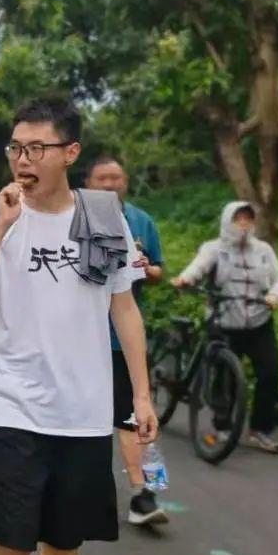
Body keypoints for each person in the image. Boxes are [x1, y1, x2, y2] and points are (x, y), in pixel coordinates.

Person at [0, 98, 157, 555]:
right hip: (9, 402)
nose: (24, 158)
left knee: (65, 543)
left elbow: (125, 307)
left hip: (85, 411)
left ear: (70, 153)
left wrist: (141, 393)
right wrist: (1, 228)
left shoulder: (103, 217)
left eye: (36, 148)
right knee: (11, 540)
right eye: (16, 147)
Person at [85, 156, 168, 526]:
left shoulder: (142, 220)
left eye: (115, 178)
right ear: (88, 182)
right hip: (81, 339)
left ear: (126, 182)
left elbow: (158, 270)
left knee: (139, 417)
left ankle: (148, 493)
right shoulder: (73, 217)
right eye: (101, 179)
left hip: (125, 339)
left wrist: (146, 269)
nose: (108, 185)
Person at [171, 201, 278, 454]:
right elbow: (198, 267)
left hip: (259, 320)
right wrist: (185, 279)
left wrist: (275, 296)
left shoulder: (264, 250)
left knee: (270, 373)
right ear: (228, 221)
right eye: (238, 219)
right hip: (225, 321)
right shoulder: (215, 249)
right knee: (226, 378)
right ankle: (222, 425)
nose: (243, 224)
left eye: (248, 219)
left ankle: (260, 430)